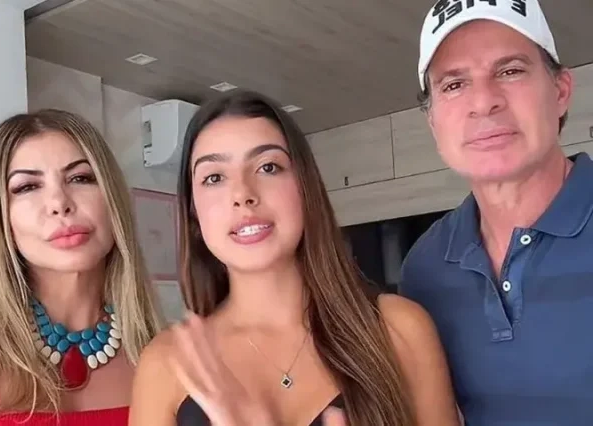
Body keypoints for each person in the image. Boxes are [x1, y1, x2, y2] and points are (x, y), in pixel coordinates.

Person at [129, 89, 460, 426]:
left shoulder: (400, 328)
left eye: (268, 167)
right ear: (193, 211)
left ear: (305, 187)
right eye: (214, 177)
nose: (243, 194)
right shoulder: (164, 364)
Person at [400, 0, 593, 425]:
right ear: (432, 122)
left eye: (510, 71)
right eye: (454, 84)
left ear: (561, 91)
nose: (484, 101)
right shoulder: (425, 268)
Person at [0, 109, 163, 425]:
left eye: (80, 178)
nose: (60, 203)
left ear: (112, 200)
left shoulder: (172, 357)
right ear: (1, 217)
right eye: (27, 186)